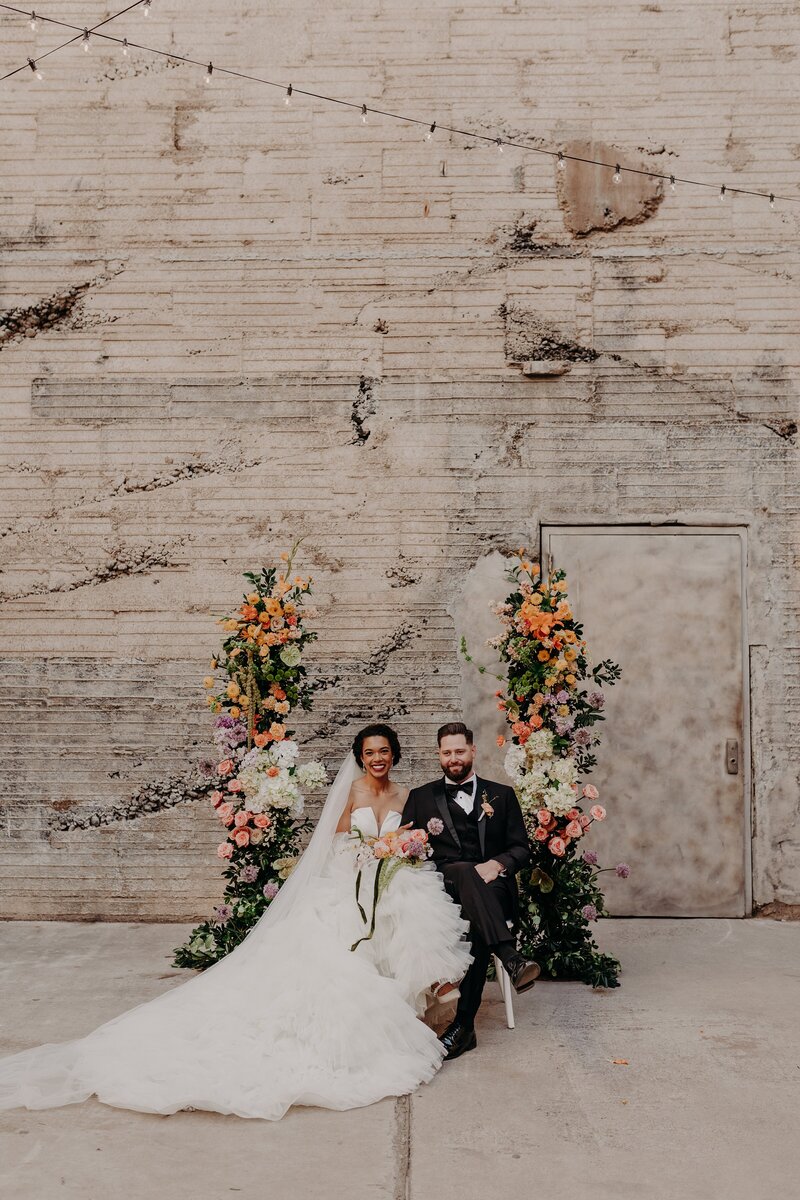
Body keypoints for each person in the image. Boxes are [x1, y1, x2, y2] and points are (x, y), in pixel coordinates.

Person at [0, 725, 472, 1121]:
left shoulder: (408, 795)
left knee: (412, 902)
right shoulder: (349, 792)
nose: (377, 759)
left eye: (384, 752)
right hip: (352, 876)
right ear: (359, 757)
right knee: (341, 948)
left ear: (395, 756)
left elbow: (414, 838)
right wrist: (367, 854)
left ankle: (426, 994)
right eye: (369, 753)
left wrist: (399, 850)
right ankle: (409, 1005)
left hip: (391, 875)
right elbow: (335, 842)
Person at [403, 721, 540, 1061]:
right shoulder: (420, 798)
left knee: (479, 917)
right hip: (443, 890)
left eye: (459, 751)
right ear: (439, 755)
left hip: (494, 888)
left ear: (473, 751)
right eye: (447, 752)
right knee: (463, 871)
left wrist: (497, 865)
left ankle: (464, 1028)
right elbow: (406, 849)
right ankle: (510, 957)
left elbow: (521, 849)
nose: (454, 758)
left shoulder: (502, 795)